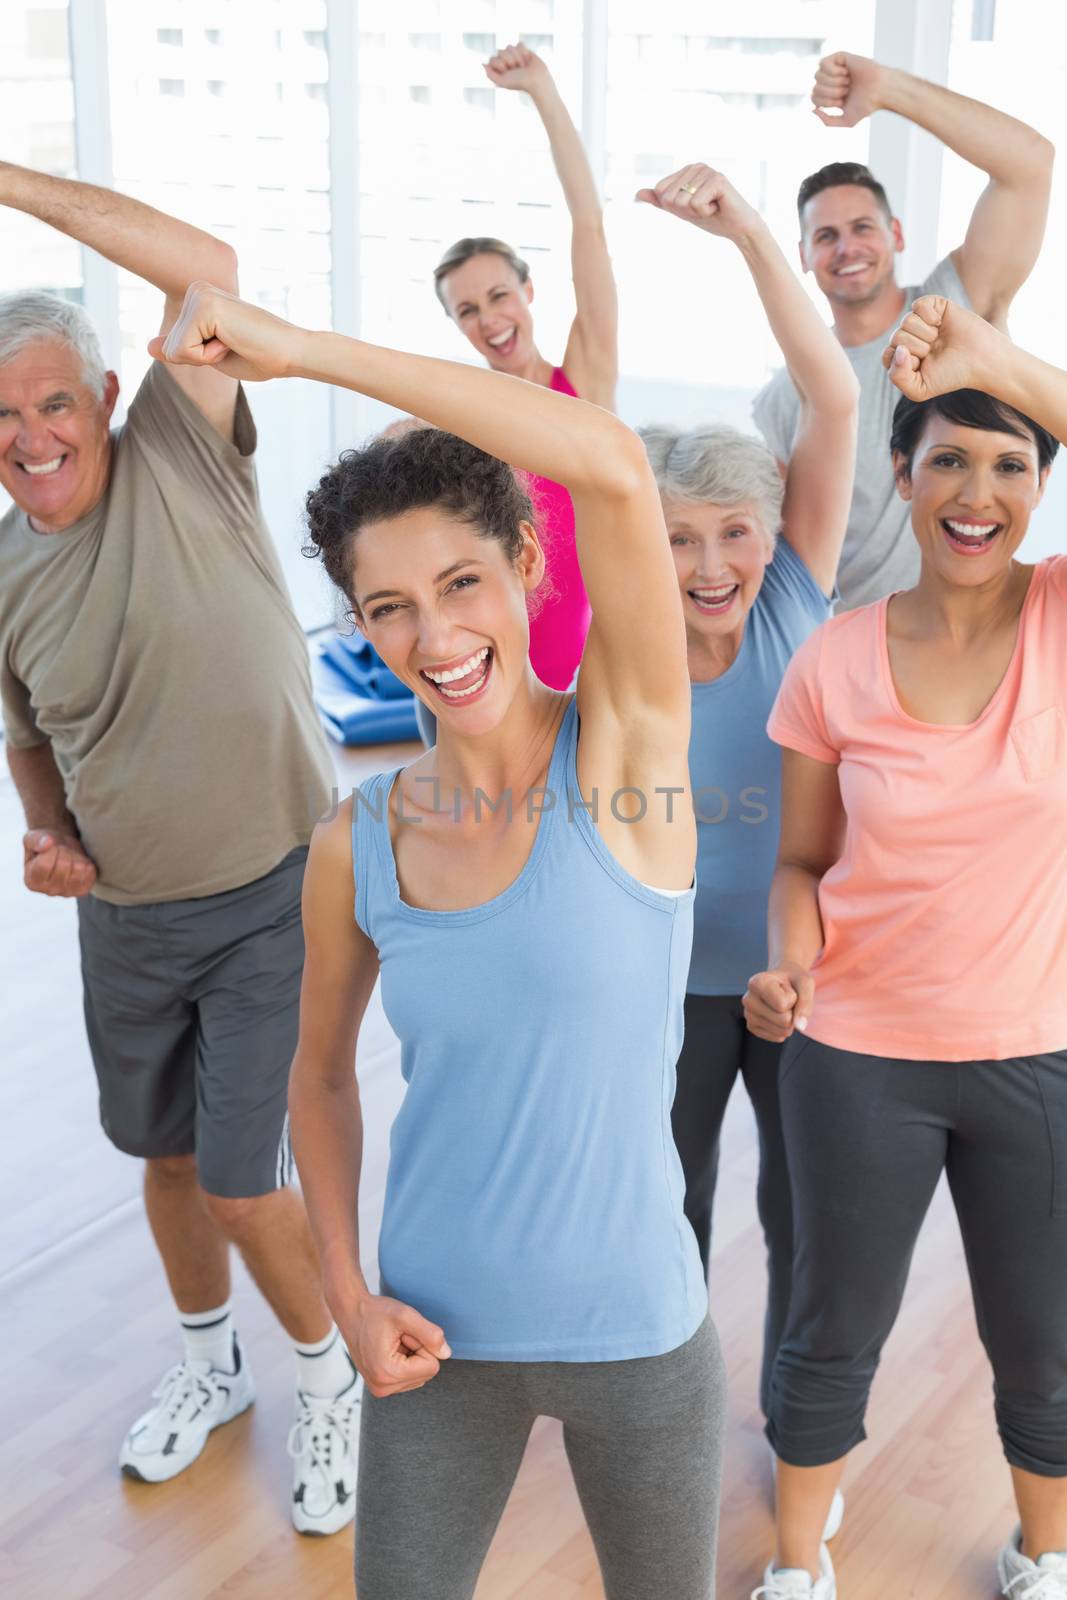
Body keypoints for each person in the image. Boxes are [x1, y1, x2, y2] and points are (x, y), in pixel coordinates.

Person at [152, 276, 727, 1599]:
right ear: (359, 626)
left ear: (525, 567)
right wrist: (345, 1295)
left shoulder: (624, 757)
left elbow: (610, 464)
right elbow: (317, 1077)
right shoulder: (359, 839)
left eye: (460, 581)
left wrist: (304, 353)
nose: (434, 634)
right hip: (426, 1343)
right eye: (389, 606)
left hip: (636, 1340)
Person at [0, 165, 359, 1533]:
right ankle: (213, 1367)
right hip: (128, 915)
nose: (32, 434)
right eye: (5, 415)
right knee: (159, 1162)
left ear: (99, 400)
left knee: (235, 1175)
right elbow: (25, 731)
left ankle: (327, 1379)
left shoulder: (176, 445)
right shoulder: (4, 571)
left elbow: (204, 258)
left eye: (52, 401)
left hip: (274, 886)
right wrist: (44, 829)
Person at [744, 292, 1067, 1600]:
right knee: (830, 1333)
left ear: (1039, 484)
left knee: (1038, 1343)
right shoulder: (831, 658)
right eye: (945, 458)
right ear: (899, 474)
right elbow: (799, 865)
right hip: (853, 1054)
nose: (974, 491)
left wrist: (991, 363)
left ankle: (1043, 1555)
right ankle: (793, 1565)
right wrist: (783, 964)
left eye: (1008, 463)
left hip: (1033, 1055)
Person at [635, 162, 856, 1548]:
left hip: (797, 978)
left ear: (773, 532)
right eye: (675, 541)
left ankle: (794, 1417)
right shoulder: (623, 635)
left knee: (799, 1209)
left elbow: (830, 397)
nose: (709, 563)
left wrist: (742, 239)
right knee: (666, 1204)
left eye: (731, 531)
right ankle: (657, 1397)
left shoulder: (792, 593)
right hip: (661, 985)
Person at [753, 49, 1054, 610]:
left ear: (895, 233)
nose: (846, 248)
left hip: (979, 632)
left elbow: (1030, 165)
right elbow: (784, 552)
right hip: (858, 652)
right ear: (803, 255)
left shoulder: (955, 311)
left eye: (862, 227)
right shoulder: (786, 395)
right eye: (826, 236)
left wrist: (889, 89)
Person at [430, 40, 618, 705]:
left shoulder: (584, 383)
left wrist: (543, 93)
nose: (489, 319)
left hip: (579, 675)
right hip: (481, 674)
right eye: (467, 310)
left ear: (528, 292)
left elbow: (589, 228)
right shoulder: (459, 416)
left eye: (499, 295)